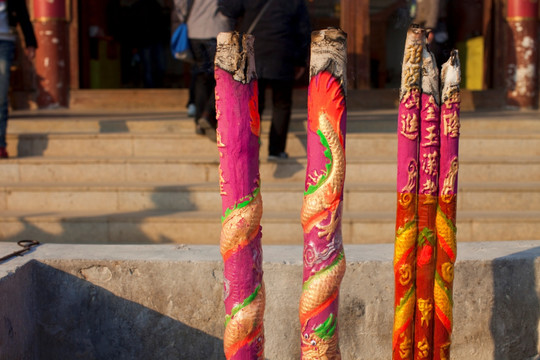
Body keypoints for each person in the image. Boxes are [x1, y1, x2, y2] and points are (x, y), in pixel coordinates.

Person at [219, 0, 311, 160]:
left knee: (253, 104)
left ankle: (250, 148)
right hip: (282, 53)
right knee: (281, 104)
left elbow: (228, 9)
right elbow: (303, 30)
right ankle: (276, 150)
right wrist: (300, 60)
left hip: (253, 51)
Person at [174, 0, 232, 140]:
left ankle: (199, 121)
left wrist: (186, 17)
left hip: (195, 30)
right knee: (225, 77)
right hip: (218, 29)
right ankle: (208, 114)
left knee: (202, 77)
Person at [0, 0, 37, 158]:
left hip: (5, 42)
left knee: (1, 94)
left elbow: (22, 13)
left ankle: (0, 143)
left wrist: (30, 41)